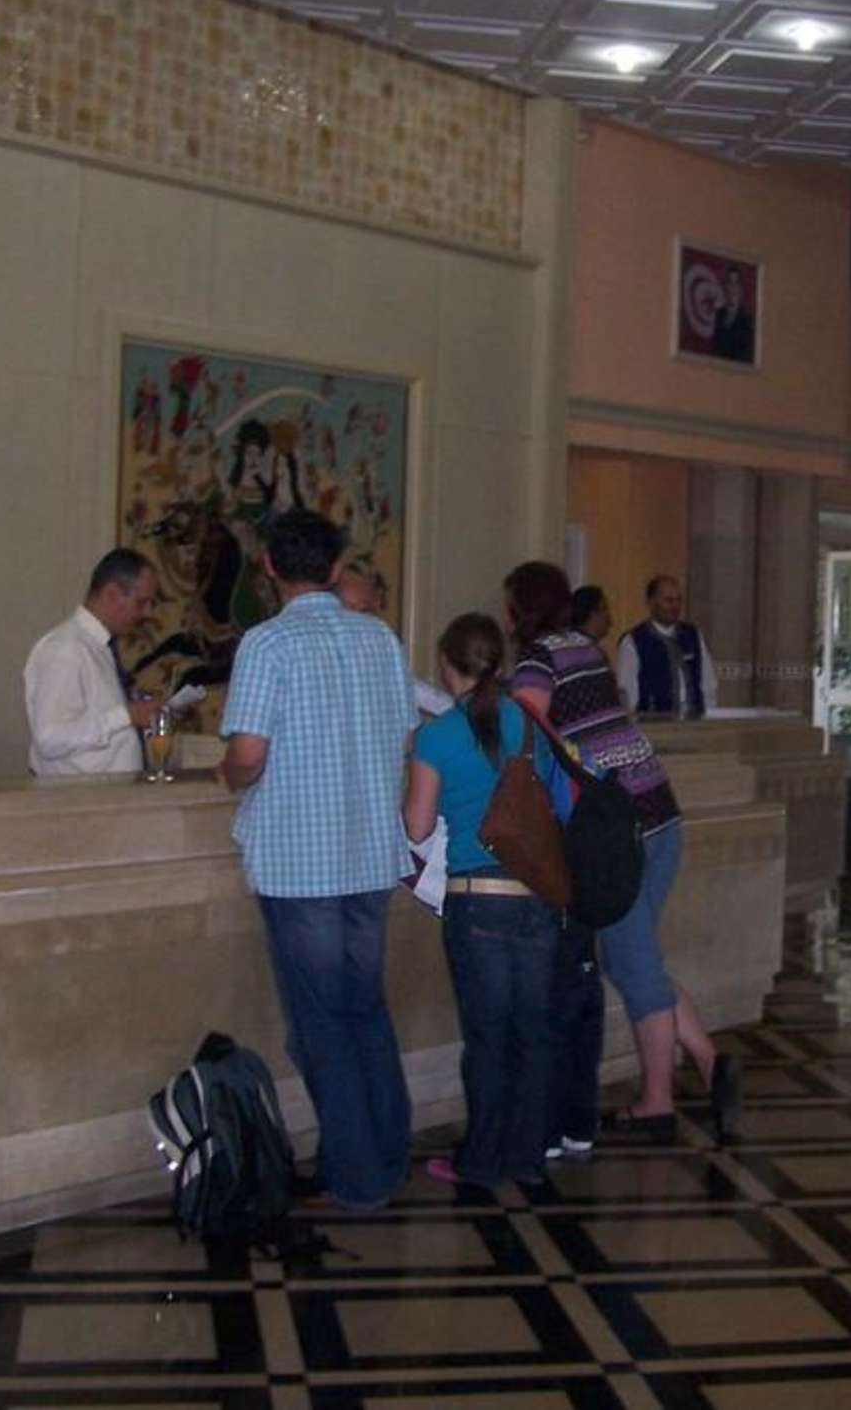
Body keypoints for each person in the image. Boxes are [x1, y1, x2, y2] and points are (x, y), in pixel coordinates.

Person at [507, 560, 741, 1145]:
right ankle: (711, 1061)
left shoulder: (537, 659)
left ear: (520, 609)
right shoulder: (584, 648)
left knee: (633, 965)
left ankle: (657, 1104)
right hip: (658, 811)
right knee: (634, 957)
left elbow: (525, 728)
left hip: (618, 827)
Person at [220, 510, 416, 1209]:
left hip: (299, 864)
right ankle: (386, 1156)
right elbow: (405, 735)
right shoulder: (379, 638)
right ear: (336, 569)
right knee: (365, 1009)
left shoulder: (267, 644)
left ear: (268, 565)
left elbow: (248, 754)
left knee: (321, 1023)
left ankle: (357, 1176)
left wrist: (228, 775)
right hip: (368, 856)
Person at [403, 614, 561, 1189]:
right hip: (535, 893)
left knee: (488, 1037)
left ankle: (482, 1160)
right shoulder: (528, 725)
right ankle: (529, 1156)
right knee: (532, 1032)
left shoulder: (437, 736)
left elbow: (418, 827)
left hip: (477, 899)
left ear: (447, 666)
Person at [23, 548, 162, 776]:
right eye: (141, 602)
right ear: (111, 594)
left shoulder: (100, 648)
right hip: (77, 794)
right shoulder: (66, 648)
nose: (147, 613)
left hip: (107, 792)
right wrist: (127, 716)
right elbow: (50, 738)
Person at [338, 565, 453, 717]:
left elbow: (411, 687)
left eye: (370, 611)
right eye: (362, 610)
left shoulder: (384, 645)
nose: (371, 620)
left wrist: (459, 711)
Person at [615, 574, 718, 718]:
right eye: (668, 600)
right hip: (654, 724)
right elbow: (627, 692)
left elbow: (708, 683)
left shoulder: (693, 635)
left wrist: (708, 715)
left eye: (678, 600)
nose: (675, 606)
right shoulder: (633, 641)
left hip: (694, 722)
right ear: (651, 603)